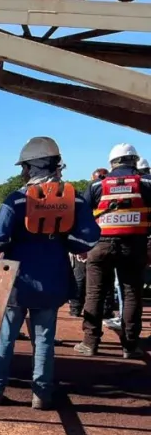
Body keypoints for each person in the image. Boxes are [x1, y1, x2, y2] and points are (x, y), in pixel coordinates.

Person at [0, 137, 100, 410]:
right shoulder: (73, 200)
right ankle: (41, 395)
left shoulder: (17, 198)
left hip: (16, 279)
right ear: (56, 165)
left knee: (6, 336)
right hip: (53, 277)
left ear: (29, 168)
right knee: (44, 337)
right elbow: (88, 239)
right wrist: (62, 242)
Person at [76, 143, 151, 359]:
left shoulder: (96, 185)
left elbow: (82, 215)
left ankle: (90, 343)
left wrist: (83, 245)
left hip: (100, 246)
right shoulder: (146, 183)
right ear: (134, 160)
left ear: (112, 163)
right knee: (131, 294)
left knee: (94, 293)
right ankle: (129, 346)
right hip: (134, 246)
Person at [70, 169, 111, 316]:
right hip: (104, 241)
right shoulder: (112, 195)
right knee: (103, 280)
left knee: (82, 278)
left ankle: (76, 309)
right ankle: (105, 311)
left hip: (92, 242)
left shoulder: (89, 194)